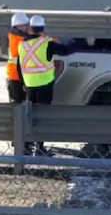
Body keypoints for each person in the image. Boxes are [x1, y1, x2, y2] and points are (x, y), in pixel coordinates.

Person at [16, 15, 72, 156]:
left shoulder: (22, 45)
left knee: (30, 115)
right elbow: (66, 50)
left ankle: (26, 147)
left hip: (29, 85)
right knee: (43, 116)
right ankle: (40, 148)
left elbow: (19, 67)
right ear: (43, 28)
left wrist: (23, 83)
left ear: (30, 29)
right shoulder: (46, 43)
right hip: (45, 84)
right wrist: (82, 43)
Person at [6, 12, 32, 154]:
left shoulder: (18, 36)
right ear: (18, 26)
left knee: (19, 108)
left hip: (17, 77)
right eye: (25, 25)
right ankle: (20, 143)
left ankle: (20, 142)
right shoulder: (18, 39)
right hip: (17, 79)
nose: (27, 27)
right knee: (19, 109)